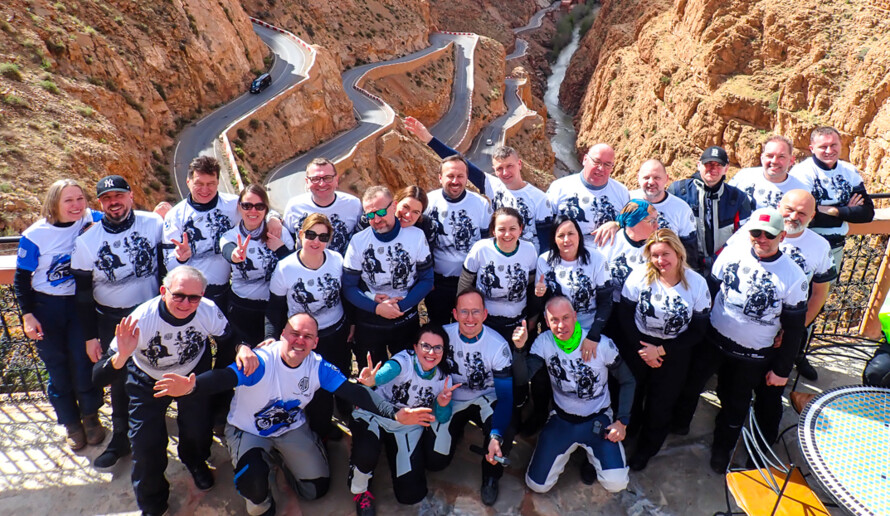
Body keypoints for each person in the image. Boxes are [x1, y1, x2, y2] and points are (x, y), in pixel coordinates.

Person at [152, 312, 434, 516]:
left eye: (307, 336)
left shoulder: (318, 367)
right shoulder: (260, 361)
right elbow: (224, 378)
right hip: (248, 429)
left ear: (315, 342)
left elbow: (354, 392)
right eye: (294, 333)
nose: (300, 340)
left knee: (316, 490)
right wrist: (191, 386)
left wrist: (397, 414)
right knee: (253, 482)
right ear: (282, 334)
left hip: (290, 427)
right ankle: (261, 490)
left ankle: (282, 459)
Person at [91, 266, 256, 516]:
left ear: (202, 296)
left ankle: (195, 460)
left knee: (197, 428)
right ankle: (153, 504)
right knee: (146, 445)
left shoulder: (207, 310)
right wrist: (122, 356)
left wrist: (242, 347)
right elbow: (98, 377)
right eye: (178, 295)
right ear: (163, 291)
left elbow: (230, 336)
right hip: (148, 378)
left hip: (191, 374)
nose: (185, 303)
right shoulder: (141, 319)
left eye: (193, 297)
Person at [671, 208, 808, 473]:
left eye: (769, 234)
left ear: (781, 236)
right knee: (689, 385)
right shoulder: (731, 254)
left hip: (752, 355)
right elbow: (709, 293)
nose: (762, 239)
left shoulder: (793, 276)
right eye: (756, 232)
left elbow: (794, 330)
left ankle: (722, 448)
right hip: (713, 341)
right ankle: (678, 423)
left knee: (736, 403)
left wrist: (782, 370)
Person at [725, 190, 836, 438]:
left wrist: (790, 332)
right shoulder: (751, 232)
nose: (794, 216)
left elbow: (819, 294)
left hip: (786, 331)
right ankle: (730, 430)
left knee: (770, 392)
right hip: (746, 333)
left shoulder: (819, 246)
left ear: (812, 216)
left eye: (802, 213)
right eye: (789, 209)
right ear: (778, 207)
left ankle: (764, 441)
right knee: (734, 387)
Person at [71, 175, 165, 468]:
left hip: (150, 313)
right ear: (100, 203)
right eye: (107, 198)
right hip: (110, 318)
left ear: (130, 196)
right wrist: (90, 337)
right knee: (119, 377)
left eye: (119, 195)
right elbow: (82, 294)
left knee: (160, 365)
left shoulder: (153, 224)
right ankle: (121, 437)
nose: (114, 202)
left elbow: (166, 267)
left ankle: (158, 426)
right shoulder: (87, 242)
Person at [14, 179, 106, 451]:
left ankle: (91, 417)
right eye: (68, 200)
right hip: (47, 307)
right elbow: (21, 278)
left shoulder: (91, 219)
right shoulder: (35, 235)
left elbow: (122, 216)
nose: (76, 205)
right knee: (57, 368)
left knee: (84, 362)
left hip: (80, 305)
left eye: (80, 198)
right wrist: (28, 315)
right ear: (54, 202)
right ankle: (71, 423)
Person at [512, 296, 635, 493]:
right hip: (562, 419)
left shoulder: (601, 344)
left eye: (566, 318)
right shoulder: (544, 342)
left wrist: (622, 422)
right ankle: (562, 448)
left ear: (575, 316)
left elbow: (628, 380)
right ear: (546, 321)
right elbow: (522, 378)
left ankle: (592, 457)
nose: (561, 325)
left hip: (597, 419)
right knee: (537, 485)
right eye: (554, 320)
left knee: (617, 483)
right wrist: (519, 349)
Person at [619, 229, 710, 470]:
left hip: (675, 351)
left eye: (665, 254)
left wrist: (660, 351)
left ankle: (647, 447)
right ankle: (629, 432)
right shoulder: (639, 276)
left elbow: (698, 330)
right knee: (633, 395)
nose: (660, 260)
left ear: (678, 253)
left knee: (661, 403)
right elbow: (625, 315)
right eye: (655, 255)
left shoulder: (697, 284)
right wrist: (643, 350)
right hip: (639, 345)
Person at [349, 324, 457, 514]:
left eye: (437, 347)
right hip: (376, 413)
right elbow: (387, 372)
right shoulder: (404, 361)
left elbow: (442, 417)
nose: (431, 352)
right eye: (425, 346)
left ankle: (391, 453)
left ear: (444, 350)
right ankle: (360, 489)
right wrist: (373, 380)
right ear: (415, 347)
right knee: (366, 453)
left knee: (411, 495)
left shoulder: (443, 378)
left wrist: (442, 404)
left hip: (407, 426)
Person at [405, 116, 553, 252]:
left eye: (510, 166)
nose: (505, 172)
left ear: (519, 164)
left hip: (527, 263)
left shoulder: (539, 199)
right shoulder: (493, 186)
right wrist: (429, 139)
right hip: (497, 258)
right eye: (500, 168)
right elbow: (460, 163)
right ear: (494, 170)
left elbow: (546, 243)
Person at [426, 289, 514, 506]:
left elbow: (505, 397)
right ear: (455, 314)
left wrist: (496, 435)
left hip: (486, 398)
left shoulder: (498, 345)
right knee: (435, 462)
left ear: (485, 314)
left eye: (476, 311)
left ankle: (491, 476)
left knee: (505, 429)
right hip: (452, 399)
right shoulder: (442, 337)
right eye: (464, 311)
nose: (470, 318)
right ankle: (455, 432)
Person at [267, 213, 349, 439]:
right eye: (311, 234)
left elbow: (346, 294)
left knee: (341, 374)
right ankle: (321, 430)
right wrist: (271, 337)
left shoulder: (337, 260)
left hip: (336, 331)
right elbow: (274, 308)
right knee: (315, 388)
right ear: (301, 234)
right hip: (305, 340)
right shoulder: (285, 268)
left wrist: (352, 324)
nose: (316, 241)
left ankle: (347, 413)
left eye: (323, 237)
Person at [344, 186, 434, 365]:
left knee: (407, 372)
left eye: (381, 212)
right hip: (370, 321)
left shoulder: (416, 236)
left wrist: (400, 306)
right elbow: (348, 286)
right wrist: (376, 308)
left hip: (406, 319)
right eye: (371, 215)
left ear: (393, 206)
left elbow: (427, 279)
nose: (377, 219)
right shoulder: (358, 241)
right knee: (372, 376)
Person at [790, 126, 875, 271]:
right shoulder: (802, 173)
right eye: (823, 147)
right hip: (804, 247)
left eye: (833, 145)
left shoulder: (849, 171)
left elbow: (867, 213)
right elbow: (807, 218)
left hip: (835, 248)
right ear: (812, 148)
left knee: (827, 286)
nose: (829, 151)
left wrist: (832, 211)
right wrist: (846, 211)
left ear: (840, 145)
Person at [220, 184, 294, 345]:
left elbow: (294, 268)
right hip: (242, 308)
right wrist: (236, 255)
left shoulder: (279, 233)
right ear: (239, 207)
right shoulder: (230, 236)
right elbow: (227, 251)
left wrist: (280, 250)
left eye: (259, 206)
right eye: (247, 205)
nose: (253, 211)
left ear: (266, 209)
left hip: (275, 308)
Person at [163, 156, 239, 312]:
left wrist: (273, 219)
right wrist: (180, 258)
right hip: (191, 296)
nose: (205, 190)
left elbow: (260, 211)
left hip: (226, 291)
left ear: (218, 182)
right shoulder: (175, 216)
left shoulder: (234, 205)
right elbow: (169, 264)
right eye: (199, 183)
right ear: (188, 182)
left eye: (211, 184)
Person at [424, 155, 493, 325]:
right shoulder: (429, 202)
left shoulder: (481, 204)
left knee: (467, 326)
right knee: (439, 326)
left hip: (470, 282)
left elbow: (486, 244)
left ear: (467, 177)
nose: (455, 181)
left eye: (460, 176)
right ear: (440, 178)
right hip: (438, 283)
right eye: (450, 176)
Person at [668, 146, 752, 276]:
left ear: (726, 168)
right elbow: (667, 229)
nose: (712, 168)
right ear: (699, 165)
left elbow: (743, 237)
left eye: (718, 165)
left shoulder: (738, 198)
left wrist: (718, 258)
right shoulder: (678, 192)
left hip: (724, 267)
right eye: (708, 164)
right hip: (684, 267)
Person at [458, 206, 537, 343]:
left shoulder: (529, 250)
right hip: (484, 320)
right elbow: (465, 283)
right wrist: (462, 314)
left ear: (520, 229)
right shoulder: (481, 249)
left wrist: (533, 317)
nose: (507, 234)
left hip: (517, 320)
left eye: (512, 228)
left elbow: (531, 284)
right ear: (493, 231)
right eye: (502, 229)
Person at [546, 143, 630, 247]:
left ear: (612, 167)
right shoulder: (559, 187)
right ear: (585, 159)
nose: (601, 168)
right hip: (568, 252)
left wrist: (617, 224)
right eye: (596, 162)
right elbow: (545, 225)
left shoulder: (621, 192)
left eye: (607, 164)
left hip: (607, 253)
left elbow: (630, 224)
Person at [282, 158, 363, 255]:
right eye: (315, 179)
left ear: (336, 179)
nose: (322, 184)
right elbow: (285, 238)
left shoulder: (353, 204)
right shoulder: (294, 206)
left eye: (327, 178)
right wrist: (272, 217)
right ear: (307, 181)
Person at [628, 159, 697, 264]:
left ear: (666, 179)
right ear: (638, 178)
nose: (651, 182)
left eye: (657, 178)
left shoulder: (681, 208)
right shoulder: (626, 200)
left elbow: (689, 250)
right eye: (646, 178)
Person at [599, 200, 659, 306]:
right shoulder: (609, 243)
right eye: (652, 221)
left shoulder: (659, 245)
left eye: (656, 219)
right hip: (611, 304)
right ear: (633, 222)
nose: (657, 225)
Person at [728, 135, 806, 210]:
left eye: (781, 156)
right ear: (762, 157)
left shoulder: (800, 190)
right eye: (770, 156)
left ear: (791, 160)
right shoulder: (743, 176)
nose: (774, 161)